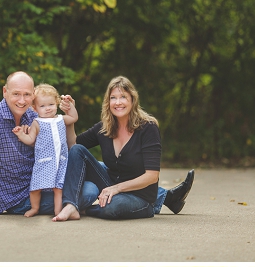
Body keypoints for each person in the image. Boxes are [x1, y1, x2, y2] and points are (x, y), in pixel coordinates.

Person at [0, 71, 192, 218]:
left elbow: (66, 143)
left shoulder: (33, 115)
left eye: (28, 94)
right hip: (18, 198)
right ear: (5, 92)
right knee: (88, 190)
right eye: (16, 93)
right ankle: (159, 199)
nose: (22, 99)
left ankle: (161, 197)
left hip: (50, 179)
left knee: (91, 169)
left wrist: (69, 117)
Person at [53, 76, 194, 221]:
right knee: (78, 150)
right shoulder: (104, 127)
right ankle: (70, 205)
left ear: (133, 100)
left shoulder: (148, 128)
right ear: (108, 102)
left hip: (140, 197)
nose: (118, 102)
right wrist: (70, 119)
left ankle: (85, 210)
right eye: (113, 97)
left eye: (123, 97)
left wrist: (117, 189)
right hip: (111, 183)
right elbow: (73, 146)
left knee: (113, 207)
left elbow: (152, 176)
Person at [10, 83, 72, 216]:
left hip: (60, 161)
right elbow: (31, 139)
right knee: (36, 188)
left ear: (56, 103)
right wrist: (21, 135)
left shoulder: (61, 119)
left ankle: (57, 211)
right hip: (43, 162)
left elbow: (74, 117)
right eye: (42, 106)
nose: (47, 109)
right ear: (35, 108)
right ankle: (34, 208)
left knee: (58, 189)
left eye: (50, 104)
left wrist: (69, 107)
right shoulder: (37, 123)